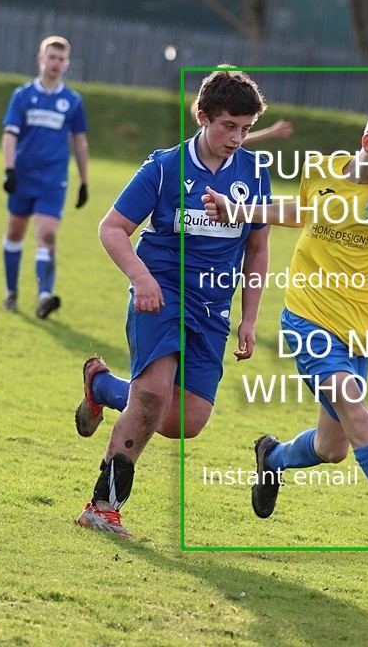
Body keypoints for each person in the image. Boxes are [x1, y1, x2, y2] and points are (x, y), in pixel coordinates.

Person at [203, 95, 368, 568]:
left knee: (332, 448)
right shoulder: (321, 169)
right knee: (359, 415)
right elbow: (300, 212)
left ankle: (273, 458)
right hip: (306, 319)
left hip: (358, 337)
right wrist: (238, 210)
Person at [73, 68, 272, 537]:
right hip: (161, 290)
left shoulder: (255, 174)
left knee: (186, 421)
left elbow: (258, 248)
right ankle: (103, 507)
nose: (237, 138)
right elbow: (111, 227)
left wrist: (249, 318)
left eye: (245, 129)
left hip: (213, 307)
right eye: (228, 126)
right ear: (202, 116)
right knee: (154, 392)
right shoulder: (164, 168)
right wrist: (141, 278)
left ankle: (102, 388)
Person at [1, 35, 90, 318]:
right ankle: (11, 293)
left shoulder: (72, 101)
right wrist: (9, 169)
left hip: (53, 180)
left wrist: (84, 181)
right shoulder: (23, 96)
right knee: (15, 232)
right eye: (51, 57)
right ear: (41, 59)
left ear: (67, 64)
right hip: (23, 177)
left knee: (47, 235)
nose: (56, 63)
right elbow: (10, 135)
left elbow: (80, 141)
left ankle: (44, 295)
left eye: (61, 59)